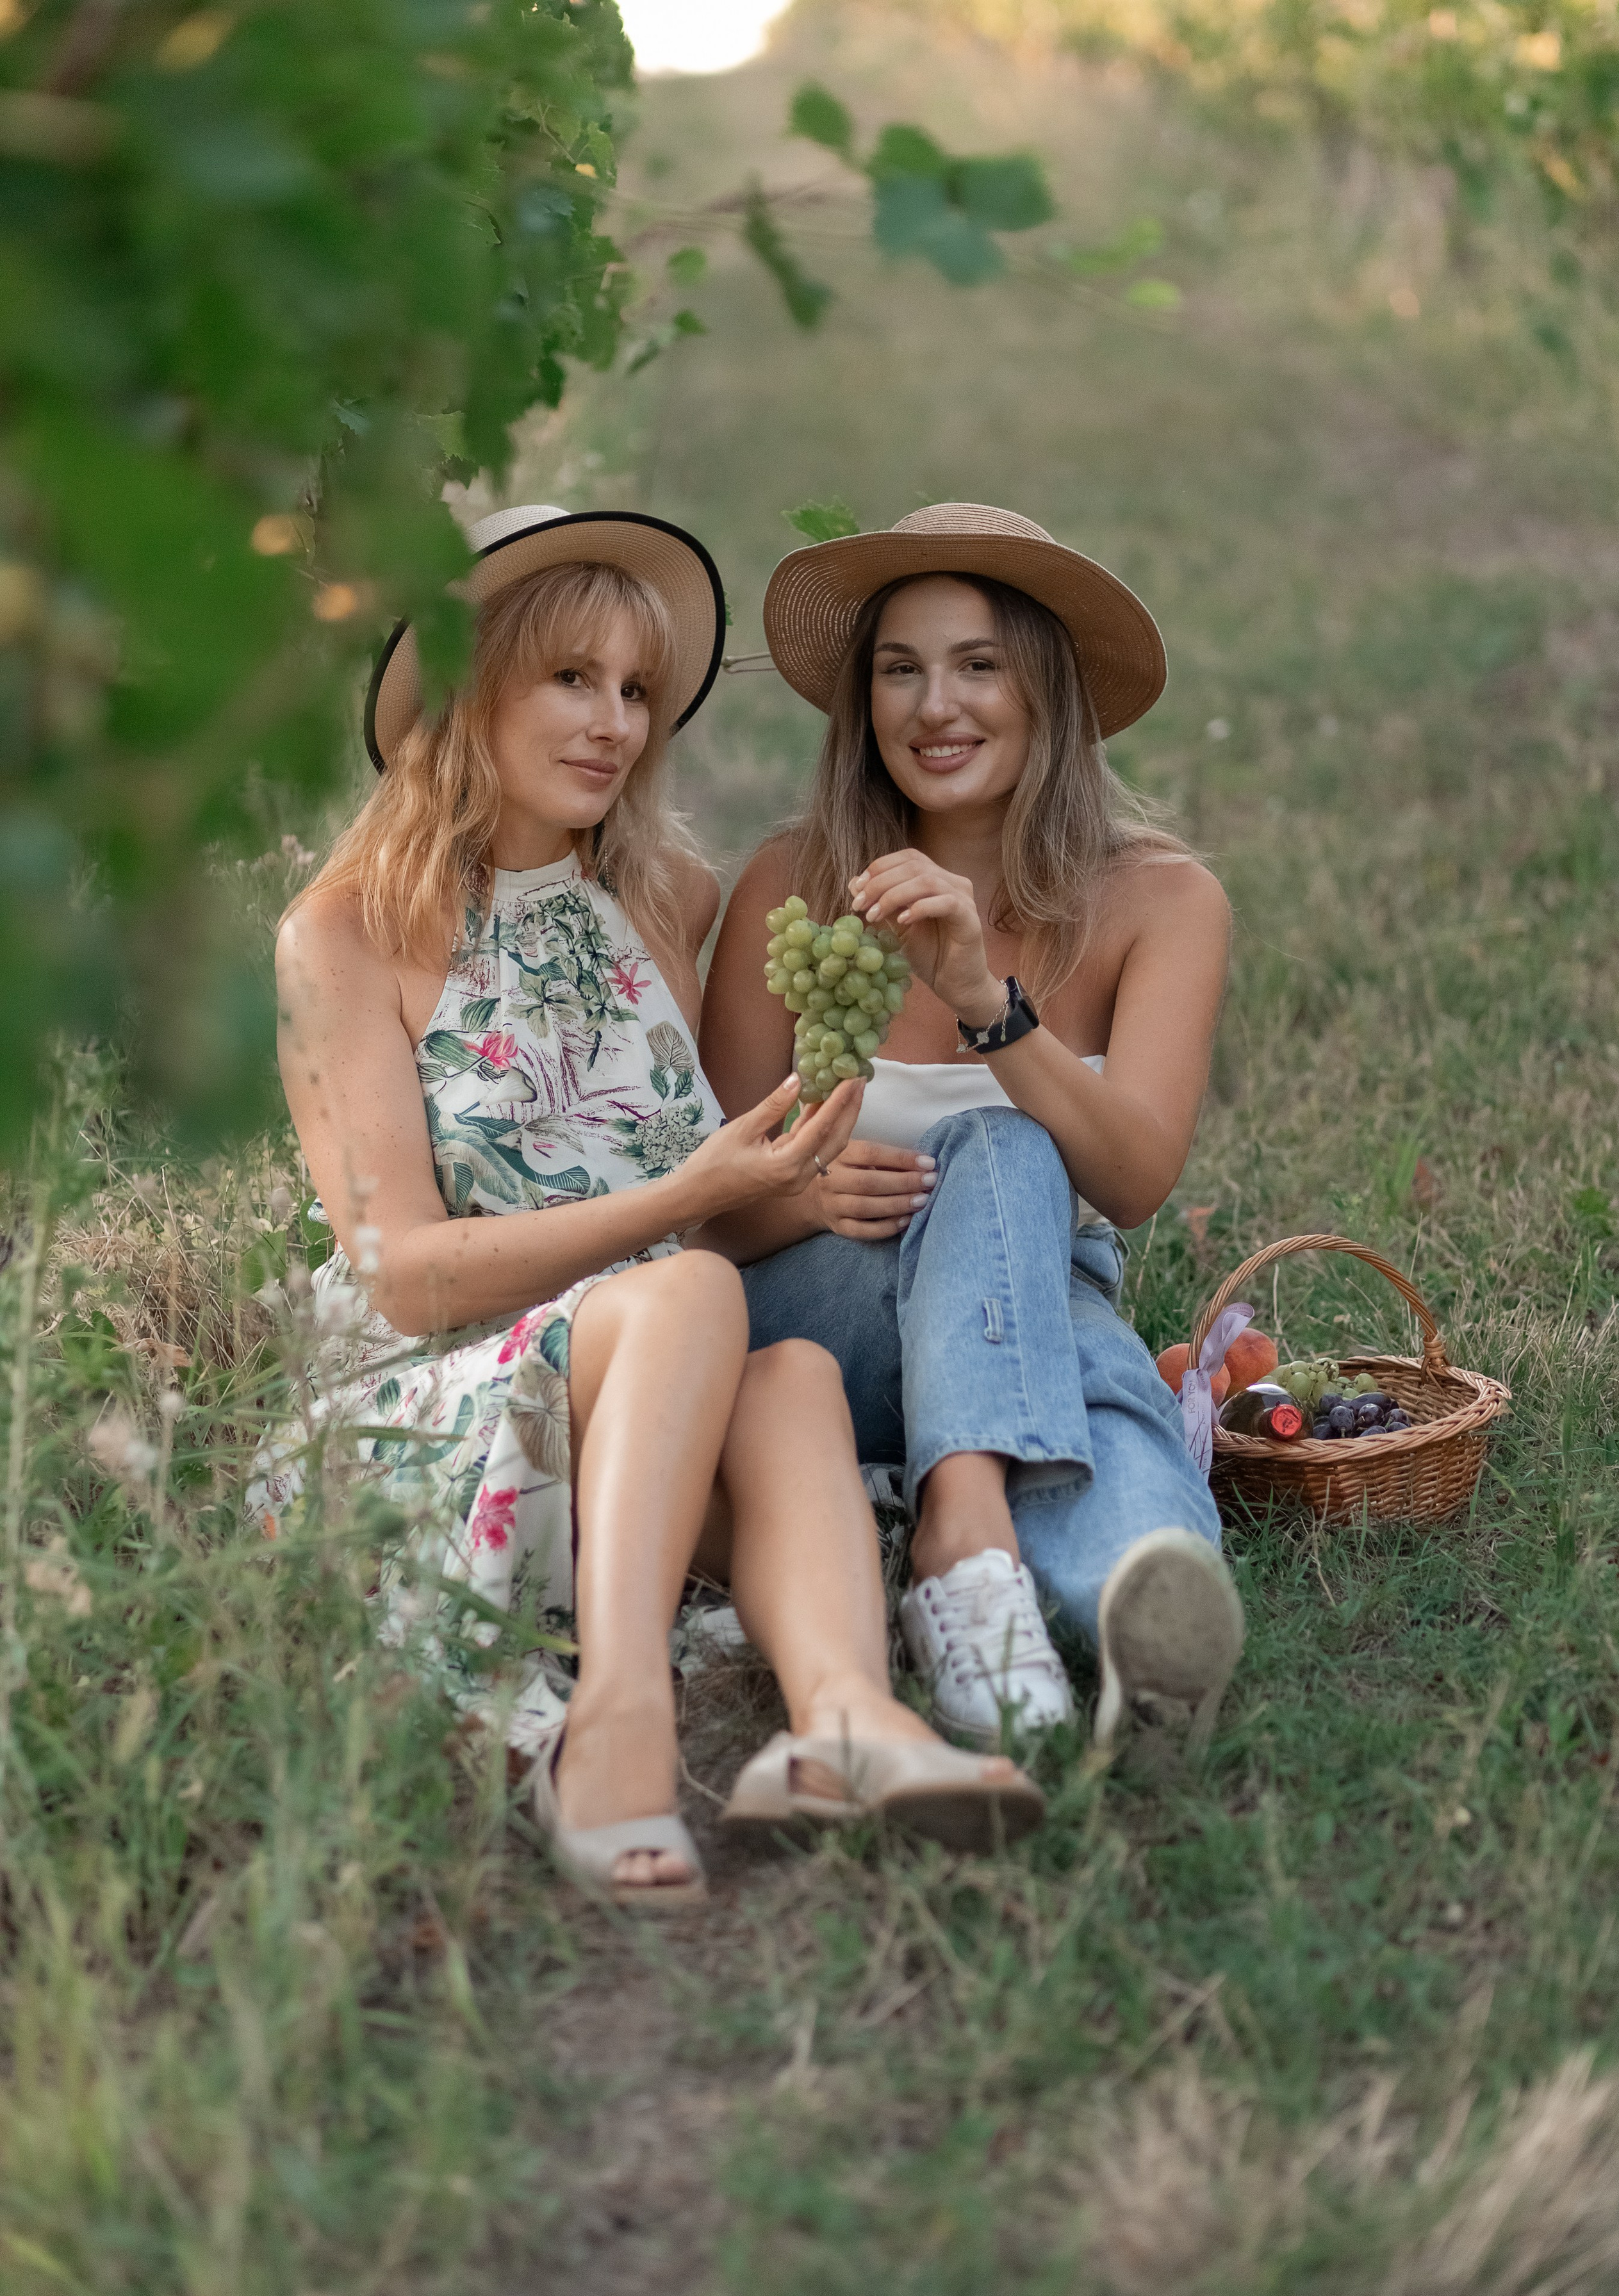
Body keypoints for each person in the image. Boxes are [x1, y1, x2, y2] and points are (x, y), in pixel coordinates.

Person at [265, 503, 1044, 1911]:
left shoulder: (663, 896)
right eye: (571, 679)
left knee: (791, 1365)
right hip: (434, 1411)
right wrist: (689, 1205)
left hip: (636, 1402)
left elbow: (700, 1191)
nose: (614, 723)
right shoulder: (343, 934)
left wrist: (790, 1181)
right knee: (695, 1288)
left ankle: (848, 1721)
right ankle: (620, 1722)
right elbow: (400, 1278)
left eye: (634, 691)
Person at [698, 502, 1244, 1755]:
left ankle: (1138, 1612)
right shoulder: (791, 882)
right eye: (899, 669)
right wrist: (805, 1197)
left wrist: (984, 1008)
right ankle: (976, 1534)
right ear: (863, 702)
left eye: (975, 664)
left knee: (1059, 1300)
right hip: (815, 1318)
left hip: (1028, 1299)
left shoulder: (1157, 899)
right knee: (1041, 1258)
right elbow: (712, 1204)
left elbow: (1136, 1175)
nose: (932, 705)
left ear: (1042, 688)